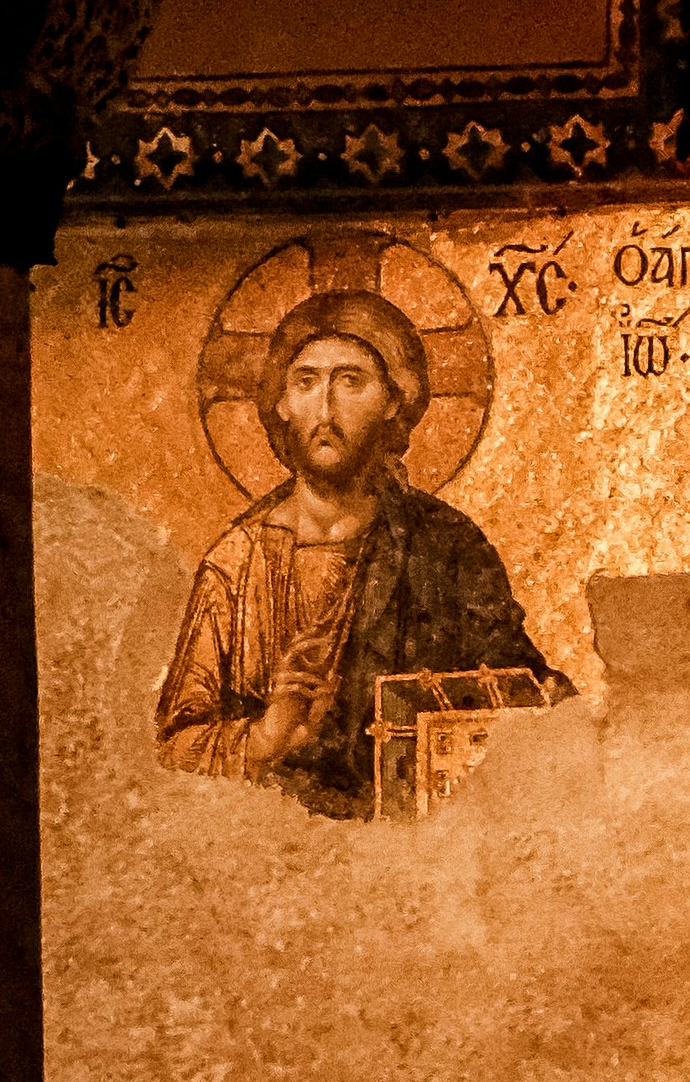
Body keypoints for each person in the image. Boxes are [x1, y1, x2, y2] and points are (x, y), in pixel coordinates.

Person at [156, 290, 553, 812]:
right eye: (306, 381)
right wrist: (265, 737)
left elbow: (522, 696)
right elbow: (171, 749)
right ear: (280, 402)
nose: (325, 409)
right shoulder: (235, 566)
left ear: (394, 399)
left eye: (350, 381)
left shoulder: (447, 547)